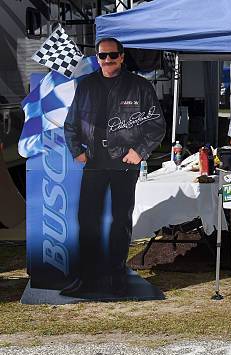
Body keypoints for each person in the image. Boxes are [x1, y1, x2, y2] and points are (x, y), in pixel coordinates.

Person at [62, 38, 165, 296]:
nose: (107, 60)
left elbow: (156, 125)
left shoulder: (140, 86)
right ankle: (88, 277)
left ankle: (117, 276)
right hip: (94, 162)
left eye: (113, 55)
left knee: (120, 221)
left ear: (121, 56)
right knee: (87, 221)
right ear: (97, 58)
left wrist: (139, 151)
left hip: (123, 164)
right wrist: (77, 151)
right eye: (102, 56)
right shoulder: (85, 85)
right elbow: (71, 124)